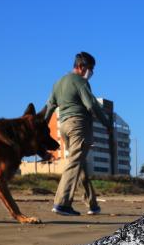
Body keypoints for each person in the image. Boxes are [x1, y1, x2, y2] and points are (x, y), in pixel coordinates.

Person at [44, 51, 113, 216]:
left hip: (64, 127)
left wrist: (42, 125)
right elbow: (92, 105)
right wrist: (107, 124)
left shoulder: (58, 83)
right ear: (81, 67)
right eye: (90, 68)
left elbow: (49, 107)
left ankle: (92, 204)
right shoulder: (80, 82)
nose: (91, 73)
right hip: (79, 126)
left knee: (79, 164)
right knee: (74, 163)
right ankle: (62, 203)